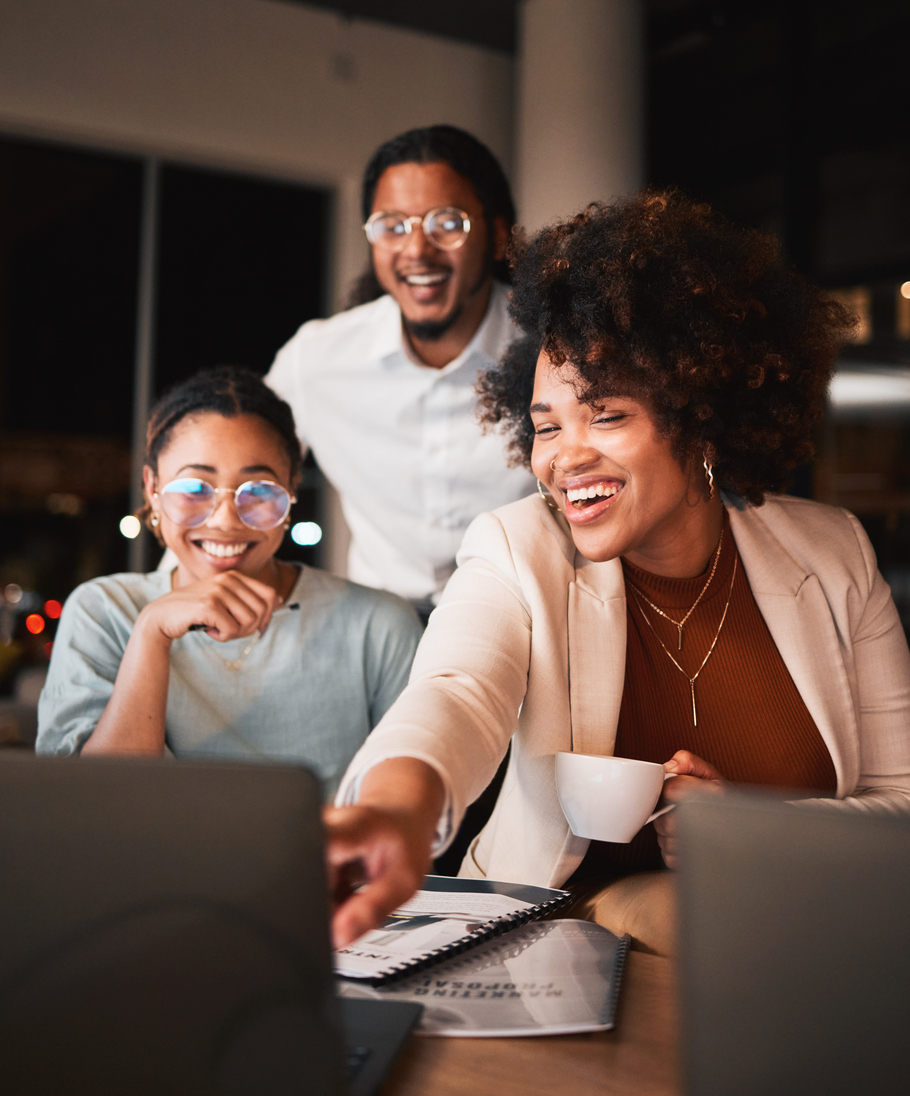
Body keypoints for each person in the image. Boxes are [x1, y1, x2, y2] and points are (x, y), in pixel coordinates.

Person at [324, 190, 910, 953]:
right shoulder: (514, 549)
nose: (566, 458)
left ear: (697, 413)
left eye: (607, 415)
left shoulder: (832, 553)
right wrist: (396, 811)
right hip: (551, 943)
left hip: (787, 946)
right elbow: (457, 692)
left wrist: (747, 831)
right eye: (545, 428)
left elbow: (901, 801)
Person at [37, 367, 421, 796]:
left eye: (257, 491)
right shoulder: (103, 610)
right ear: (152, 490)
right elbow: (90, 803)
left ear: (291, 488)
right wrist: (152, 631)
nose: (224, 521)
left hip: (316, 863)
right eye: (194, 487)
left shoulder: (378, 624)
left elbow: (405, 803)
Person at [266, 125, 535, 619]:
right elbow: (237, 465)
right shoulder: (317, 359)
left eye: (446, 223)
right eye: (392, 225)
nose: (416, 250)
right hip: (378, 638)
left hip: (530, 628)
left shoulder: (555, 351)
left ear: (498, 236)